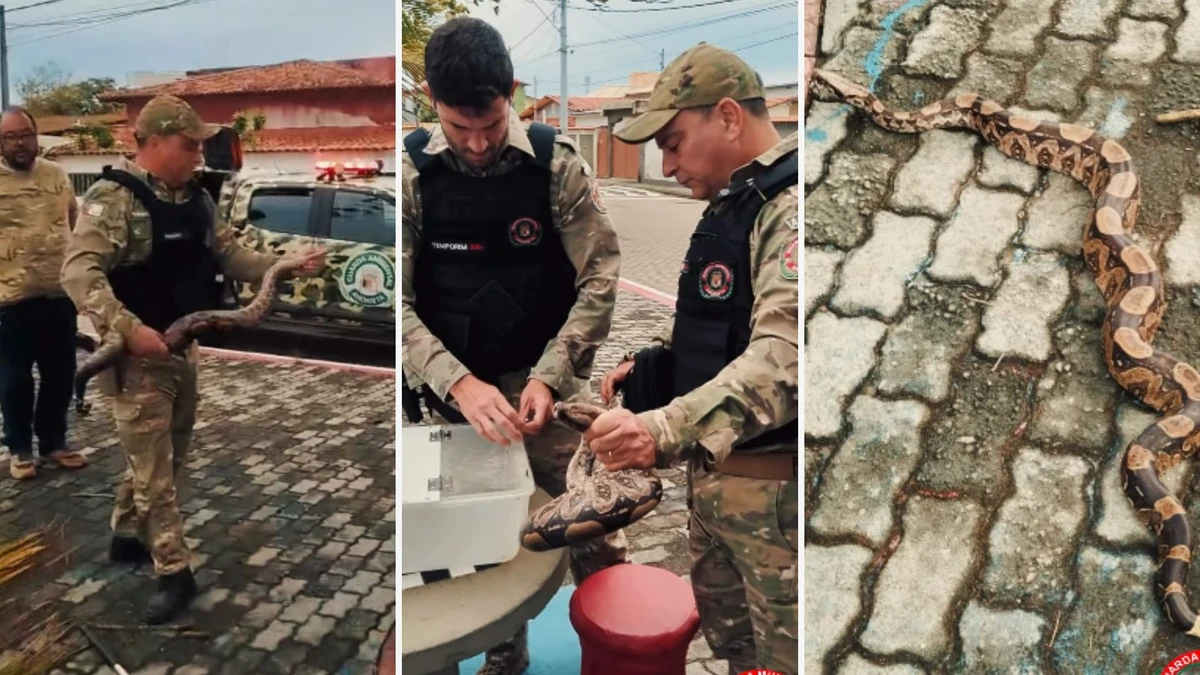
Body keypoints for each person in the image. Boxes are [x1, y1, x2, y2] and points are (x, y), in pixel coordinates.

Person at [400, 17, 627, 675]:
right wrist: (458, 383)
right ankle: (507, 655)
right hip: (456, 404)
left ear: (513, 94)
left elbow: (600, 280)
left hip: (551, 397)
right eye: (458, 126)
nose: (475, 144)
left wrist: (553, 375)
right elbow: (397, 306)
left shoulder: (558, 167)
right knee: (485, 549)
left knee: (595, 537)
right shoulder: (414, 177)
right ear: (428, 98)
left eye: (491, 125)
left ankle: (618, 653)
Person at [60, 94, 325, 624]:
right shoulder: (114, 200)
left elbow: (229, 255)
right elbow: (78, 272)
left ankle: (123, 535)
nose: (199, 154)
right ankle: (173, 571)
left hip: (185, 350)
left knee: (166, 459)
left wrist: (283, 266)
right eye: (190, 144)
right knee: (156, 473)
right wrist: (129, 330)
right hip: (136, 361)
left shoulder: (198, 201)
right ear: (154, 142)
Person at [590, 43, 798, 675]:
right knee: (739, 653)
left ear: (729, 117)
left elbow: (785, 356)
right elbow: (723, 329)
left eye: (675, 142)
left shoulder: (791, 210)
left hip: (776, 505)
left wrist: (660, 428)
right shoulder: (734, 203)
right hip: (718, 492)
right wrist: (653, 365)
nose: (667, 162)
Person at [0, 106, 89, 481]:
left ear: (36, 137)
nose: (20, 143)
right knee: (15, 380)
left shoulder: (57, 175)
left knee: (60, 374)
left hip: (57, 295)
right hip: (9, 301)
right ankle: (19, 448)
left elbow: (73, 221)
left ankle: (53, 442)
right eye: (11, 137)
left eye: (26, 134)